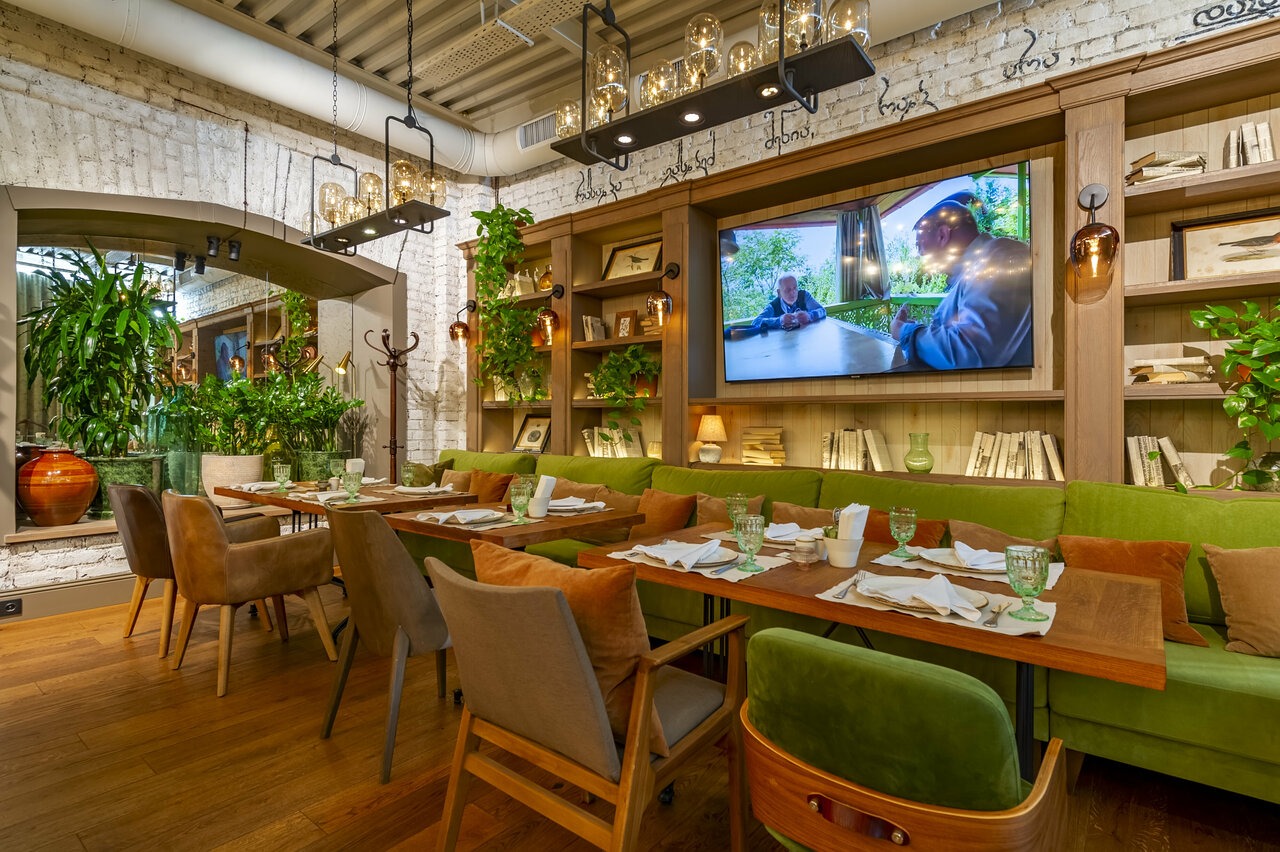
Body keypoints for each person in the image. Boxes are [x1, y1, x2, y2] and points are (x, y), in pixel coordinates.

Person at [890, 196, 1033, 370]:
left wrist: (904, 332)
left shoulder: (999, 257)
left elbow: (970, 353)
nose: (919, 255)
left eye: (919, 245)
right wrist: (922, 335)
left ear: (942, 235)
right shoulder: (975, 270)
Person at [751, 274, 827, 331]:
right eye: (788, 290)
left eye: (795, 288)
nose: (793, 292)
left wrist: (809, 316)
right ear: (779, 293)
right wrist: (780, 320)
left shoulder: (804, 296)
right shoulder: (773, 306)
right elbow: (755, 322)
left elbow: (822, 311)